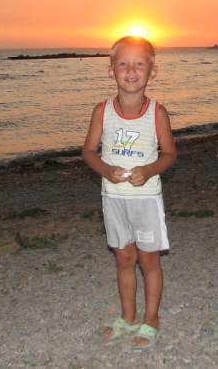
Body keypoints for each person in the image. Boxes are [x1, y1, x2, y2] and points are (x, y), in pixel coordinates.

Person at [82, 36, 177, 349]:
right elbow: (88, 152)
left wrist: (149, 170)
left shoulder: (157, 113)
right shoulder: (102, 111)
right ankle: (129, 316)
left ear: (153, 71)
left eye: (139, 64)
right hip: (114, 199)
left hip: (146, 201)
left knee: (149, 261)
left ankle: (152, 319)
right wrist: (105, 169)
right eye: (123, 64)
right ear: (111, 71)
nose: (131, 70)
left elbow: (169, 155)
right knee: (124, 258)